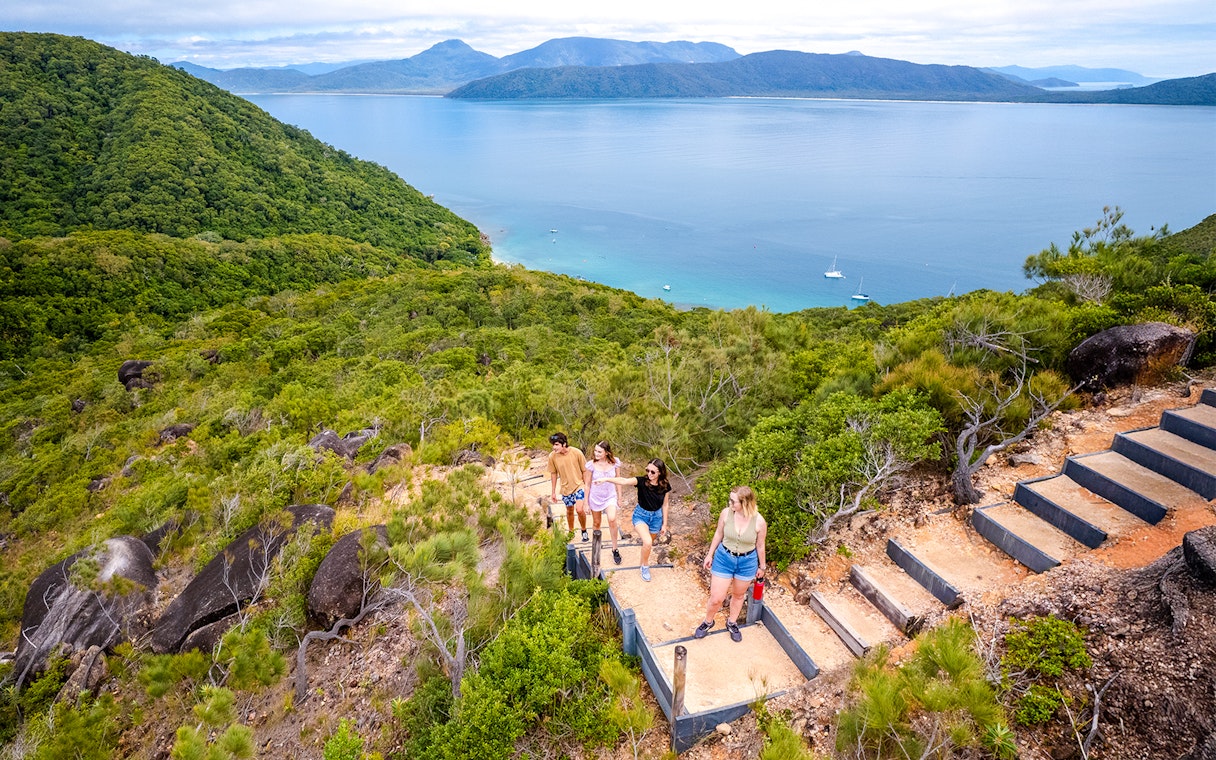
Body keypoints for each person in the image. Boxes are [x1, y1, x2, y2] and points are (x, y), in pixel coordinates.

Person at [694, 485, 767, 642]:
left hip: (747, 562)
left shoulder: (759, 521)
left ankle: (732, 622)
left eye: (733, 501)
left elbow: (760, 546)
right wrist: (709, 554)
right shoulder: (726, 514)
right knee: (716, 598)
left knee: (739, 595)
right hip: (724, 558)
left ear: (744, 503)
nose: (730, 503)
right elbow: (718, 533)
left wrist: (762, 567)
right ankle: (708, 621)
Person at [601, 458, 671, 582]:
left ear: (660, 472)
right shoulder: (641, 481)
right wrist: (606, 479)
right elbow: (623, 481)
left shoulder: (665, 485)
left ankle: (642, 560)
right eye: (647, 470)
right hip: (641, 515)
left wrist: (664, 524)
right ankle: (644, 566)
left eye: (653, 472)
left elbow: (665, 505)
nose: (649, 474)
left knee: (648, 544)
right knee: (648, 542)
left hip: (656, 517)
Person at [584, 441, 625, 564]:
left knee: (612, 519)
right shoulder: (591, 465)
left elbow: (618, 480)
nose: (596, 453)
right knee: (597, 523)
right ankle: (596, 545)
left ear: (606, 453)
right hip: (595, 496)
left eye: (599, 451)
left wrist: (620, 497)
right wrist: (586, 502)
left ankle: (615, 548)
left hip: (610, 496)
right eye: (595, 451)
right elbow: (587, 484)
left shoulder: (615, 463)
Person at [547, 432, 588, 541]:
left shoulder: (576, 452)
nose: (554, 447)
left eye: (556, 444)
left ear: (564, 444)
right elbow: (553, 473)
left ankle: (584, 530)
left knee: (579, 510)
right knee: (569, 510)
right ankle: (571, 531)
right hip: (565, 488)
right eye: (553, 445)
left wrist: (587, 486)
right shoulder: (552, 456)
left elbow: (585, 470)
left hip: (579, 485)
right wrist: (553, 492)